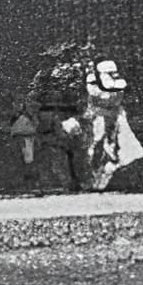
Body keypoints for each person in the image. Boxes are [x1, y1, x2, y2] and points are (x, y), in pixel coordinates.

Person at [18, 42, 95, 193]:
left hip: (66, 116)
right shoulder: (45, 76)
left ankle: (76, 182)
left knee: (71, 149)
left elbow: (80, 95)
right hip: (51, 117)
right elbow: (33, 97)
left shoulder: (73, 74)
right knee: (56, 150)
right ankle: (63, 183)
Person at [85, 45, 143, 190]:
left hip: (113, 118)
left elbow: (115, 96)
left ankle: (100, 181)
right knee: (94, 147)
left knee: (114, 150)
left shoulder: (116, 84)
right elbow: (98, 97)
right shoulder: (93, 83)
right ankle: (92, 181)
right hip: (98, 118)